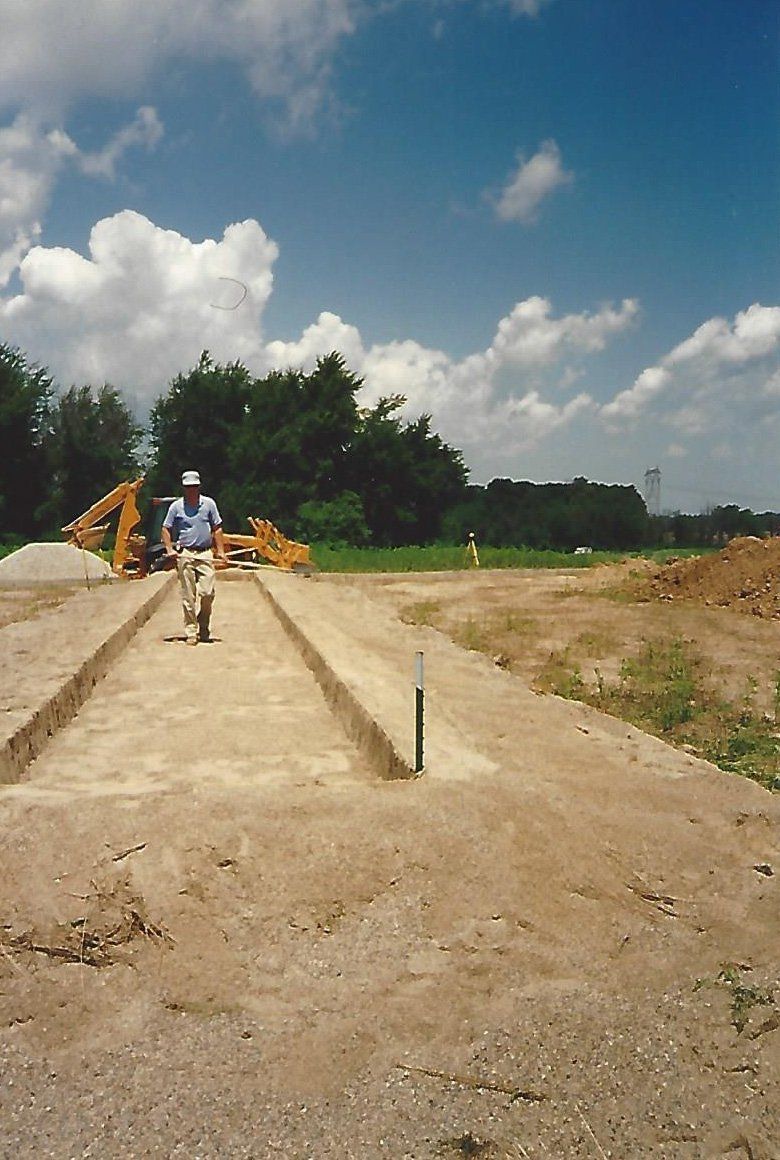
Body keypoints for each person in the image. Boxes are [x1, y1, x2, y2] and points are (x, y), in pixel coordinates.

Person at [161, 470, 227, 645]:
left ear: (199, 487)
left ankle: (203, 625)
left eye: (195, 487)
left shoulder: (208, 504)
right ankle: (191, 631)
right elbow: (166, 528)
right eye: (189, 487)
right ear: (184, 488)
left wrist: (220, 551)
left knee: (207, 593)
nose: (192, 490)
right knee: (188, 596)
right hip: (186, 553)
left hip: (205, 553)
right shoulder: (176, 507)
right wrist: (169, 549)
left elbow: (217, 527)